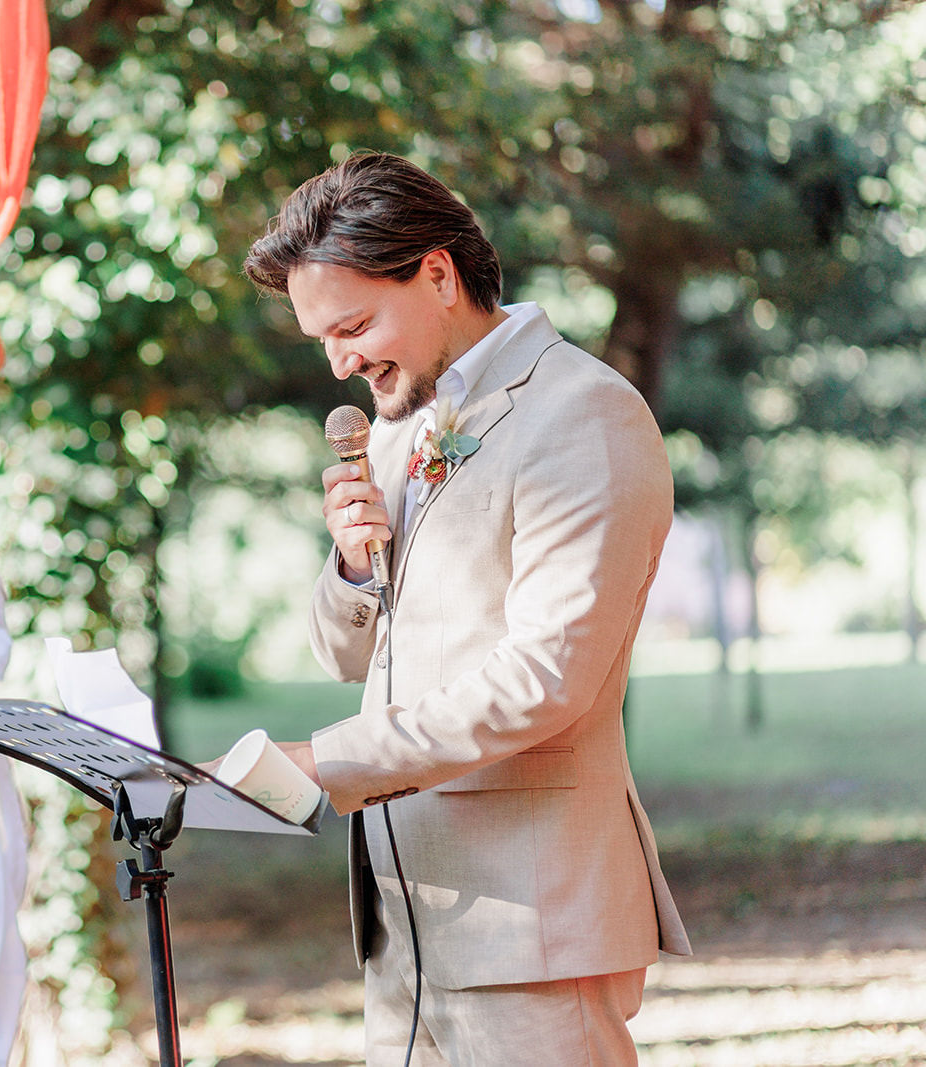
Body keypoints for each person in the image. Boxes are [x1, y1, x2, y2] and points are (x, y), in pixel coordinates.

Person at [240, 152, 692, 1065]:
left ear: (438, 273)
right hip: (403, 921)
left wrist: (326, 761)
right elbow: (347, 655)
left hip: (531, 920)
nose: (340, 363)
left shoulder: (584, 412)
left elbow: (545, 679)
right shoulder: (403, 425)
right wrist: (354, 565)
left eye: (354, 325)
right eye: (322, 339)